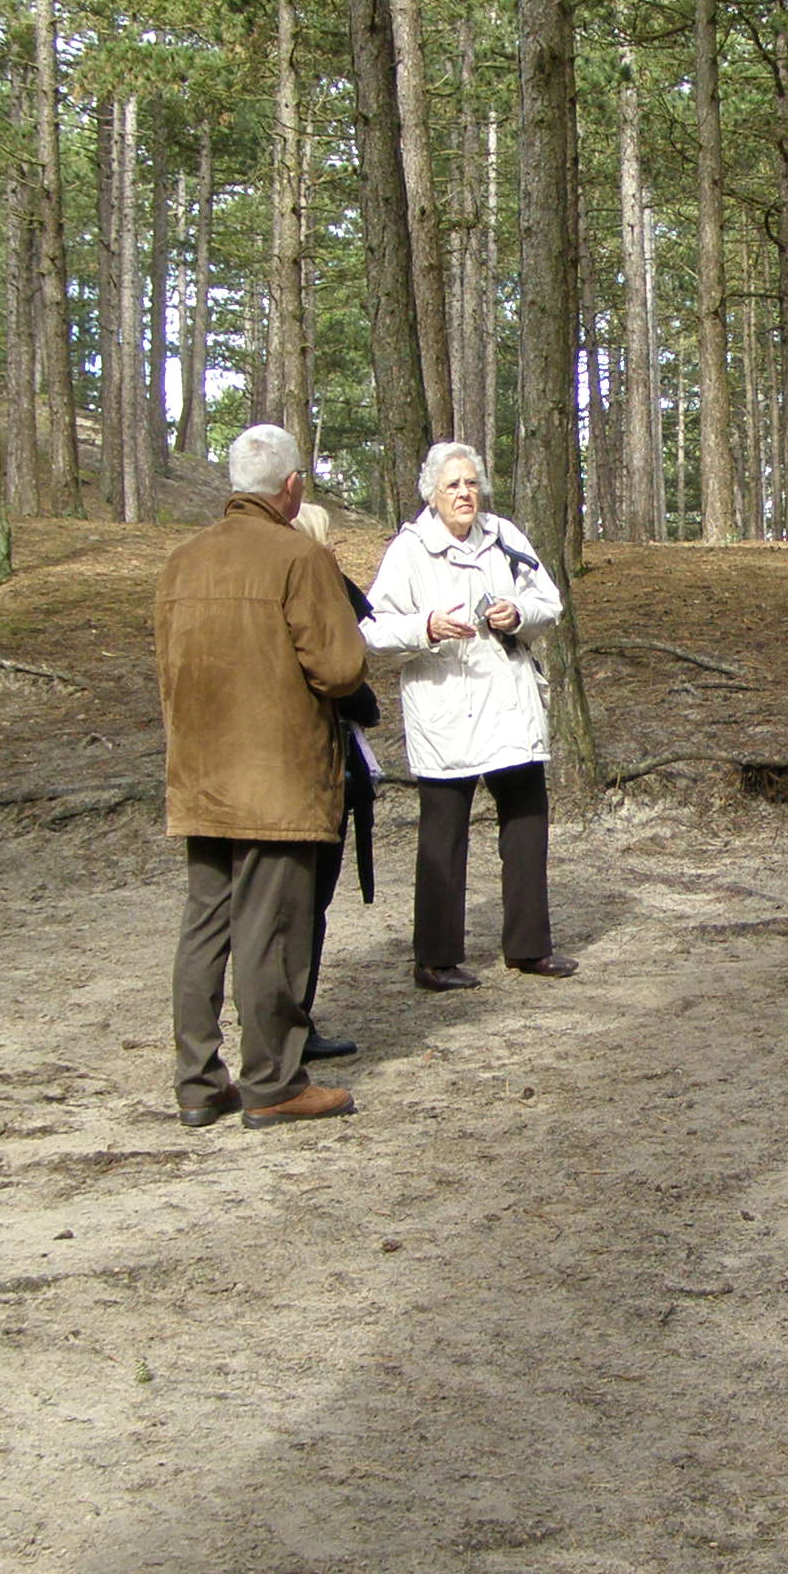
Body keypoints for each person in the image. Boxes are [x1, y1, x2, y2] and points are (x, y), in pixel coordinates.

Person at [155, 423, 368, 1125]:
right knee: (271, 929)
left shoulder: (182, 562)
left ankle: (198, 1083)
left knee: (205, 925)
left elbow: (168, 669)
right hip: (276, 777)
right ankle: (274, 1083)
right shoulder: (298, 557)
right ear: (291, 487)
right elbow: (339, 669)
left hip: (201, 771)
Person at [363, 441, 579, 990]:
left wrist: (518, 613)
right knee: (443, 835)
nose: (464, 494)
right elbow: (373, 630)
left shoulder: (505, 536)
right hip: (445, 708)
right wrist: (427, 627)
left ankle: (529, 948)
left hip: (507, 702)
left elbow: (548, 602)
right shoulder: (410, 549)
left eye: (471, 483)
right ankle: (435, 959)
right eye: (452, 485)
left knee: (527, 825)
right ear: (432, 495)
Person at [289, 500, 381, 1061]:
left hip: (314, 765)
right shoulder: (312, 585)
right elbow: (341, 673)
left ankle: (293, 1022)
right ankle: (289, 1028)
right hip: (310, 766)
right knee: (303, 903)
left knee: (302, 905)